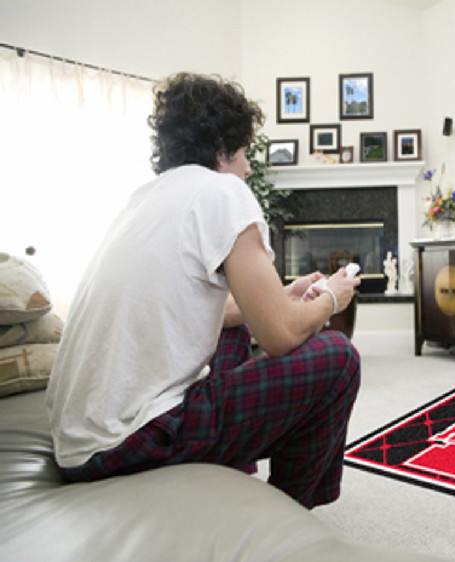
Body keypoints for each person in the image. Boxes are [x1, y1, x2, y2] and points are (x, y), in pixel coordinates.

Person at [45, 73, 361, 509]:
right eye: (246, 152)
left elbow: (208, 307)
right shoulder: (222, 190)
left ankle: (230, 468)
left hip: (79, 442)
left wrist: (280, 296)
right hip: (131, 441)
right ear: (221, 147)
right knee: (339, 358)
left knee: (229, 327)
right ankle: (288, 515)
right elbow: (280, 337)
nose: (249, 167)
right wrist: (333, 297)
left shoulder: (145, 199)